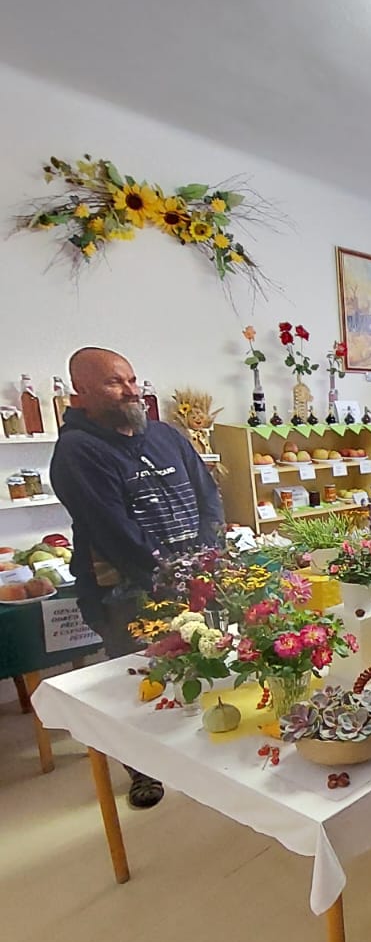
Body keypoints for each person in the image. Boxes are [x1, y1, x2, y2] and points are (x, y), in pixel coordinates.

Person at [49, 347, 225, 809]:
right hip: (128, 592)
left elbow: (209, 496)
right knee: (138, 681)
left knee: (199, 663)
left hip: (195, 579)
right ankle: (141, 769)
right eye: (114, 382)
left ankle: (196, 749)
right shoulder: (77, 452)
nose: (131, 389)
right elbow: (116, 534)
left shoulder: (166, 435)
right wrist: (174, 578)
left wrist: (209, 558)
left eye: (132, 379)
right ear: (81, 391)